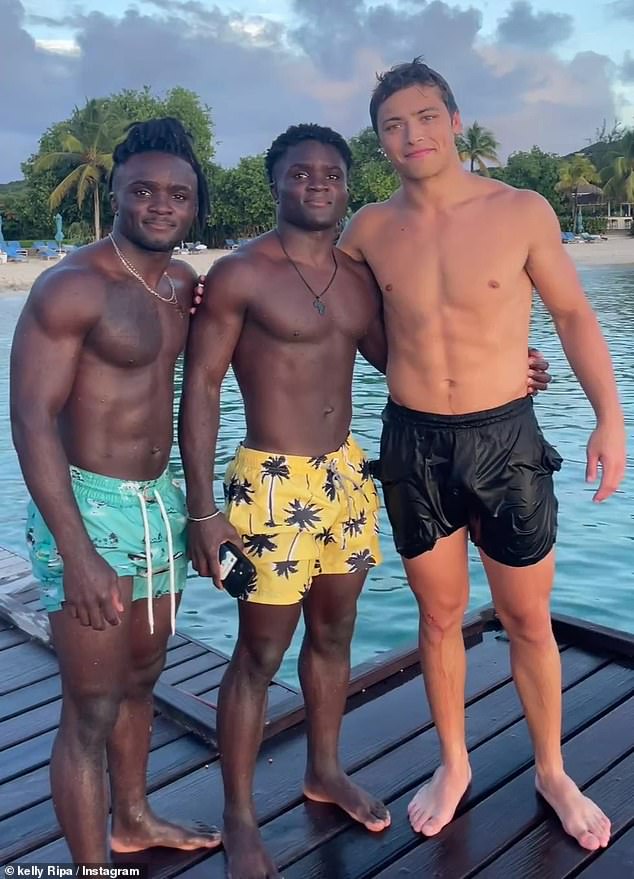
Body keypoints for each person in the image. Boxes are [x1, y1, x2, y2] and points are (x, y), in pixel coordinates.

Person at [179, 123, 549, 879]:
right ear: (275, 180)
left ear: (348, 186)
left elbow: (408, 354)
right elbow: (203, 390)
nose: (316, 184)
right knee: (258, 651)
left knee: (335, 633)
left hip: (347, 477)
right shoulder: (241, 274)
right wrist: (201, 508)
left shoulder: (355, 277)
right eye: (299, 173)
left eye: (330, 174)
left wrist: (514, 366)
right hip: (270, 485)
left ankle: (324, 768)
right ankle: (240, 814)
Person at [338, 59, 626, 852]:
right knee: (438, 615)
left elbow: (571, 315)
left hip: (506, 438)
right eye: (394, 125)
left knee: (527, 614)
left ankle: (552, 768)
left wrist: (610, 419)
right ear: (380, 141)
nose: (412, 135)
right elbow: (325, 305)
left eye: (426, 116)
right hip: (414, 440)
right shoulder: (366, 229)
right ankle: (454, 762)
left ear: (455, 121)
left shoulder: (521, 210)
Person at [10, 118, 220, 863]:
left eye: (178, 193)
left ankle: (132, 817)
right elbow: (31, 419)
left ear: (195, 203)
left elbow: (208, 385)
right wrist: (76, 550)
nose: (161, 204)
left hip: (157, 503)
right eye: (144, 190)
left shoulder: (182, 285)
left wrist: (203, 509)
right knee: (89, 707)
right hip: (87, 505)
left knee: (143, 677)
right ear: (119, 191)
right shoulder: (73, 288)